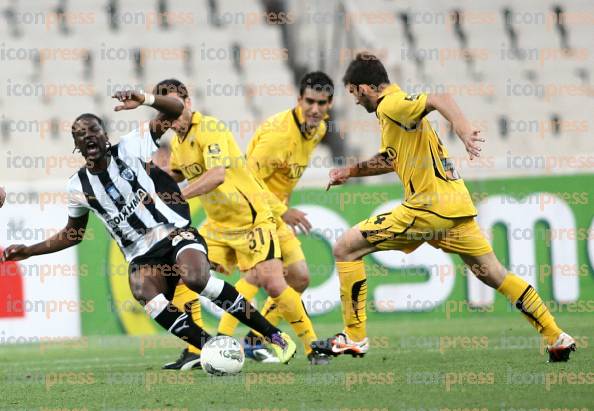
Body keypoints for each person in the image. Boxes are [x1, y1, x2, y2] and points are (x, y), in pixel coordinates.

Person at [310, 53, 576, 363]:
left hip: (427, 209)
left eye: (354, 93)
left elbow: (439, 97)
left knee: (345, 248)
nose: (355, 102)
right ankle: (555, 336)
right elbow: (390, 158)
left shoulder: (393, 105)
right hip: (455, 206)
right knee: (494, 274)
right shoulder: (394, 115)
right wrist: (351, 171)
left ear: (366, 88)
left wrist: (463, 129)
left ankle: (354, 337)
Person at [1, 90, 296, 364]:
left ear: (105, 134)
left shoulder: (131, 147)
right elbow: (73, 233)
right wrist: (29, 250)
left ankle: (274, 336)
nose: (87, 136)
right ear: (76, 146)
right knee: (143, 290)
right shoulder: (76, 186)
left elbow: (176, 108)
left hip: (173, 232)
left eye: (93, 129)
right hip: (141, 256)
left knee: (196, 279)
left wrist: (145, 98)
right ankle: (212, 348)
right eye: (80, 134)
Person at [150, 79, 321, 366]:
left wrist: (176, 196)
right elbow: (178, 173)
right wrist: (153, 180)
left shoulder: (210, 129)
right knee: (178, 271)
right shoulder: (179, 142)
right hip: (218, 225)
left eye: (177, 110)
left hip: (251, 219)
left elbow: (216, 174)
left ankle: (312, 346)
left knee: (273, 282)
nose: (174, 119)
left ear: (188, 103)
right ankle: (196, 350)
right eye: (167, 114)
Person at [215, 71, 333, 365]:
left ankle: (255, 340)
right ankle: (222, 342)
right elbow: (248, 181)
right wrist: (284, 211)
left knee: (300, 277)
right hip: (250, 211)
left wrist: (282, 208)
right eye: (310, 101)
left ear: (330, 104)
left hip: (274, 213)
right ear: (298, 100)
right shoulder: (277, 137)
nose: (315, 109)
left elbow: (283, 178)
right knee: (258, 276)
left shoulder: (318, 130)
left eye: (322, 102)